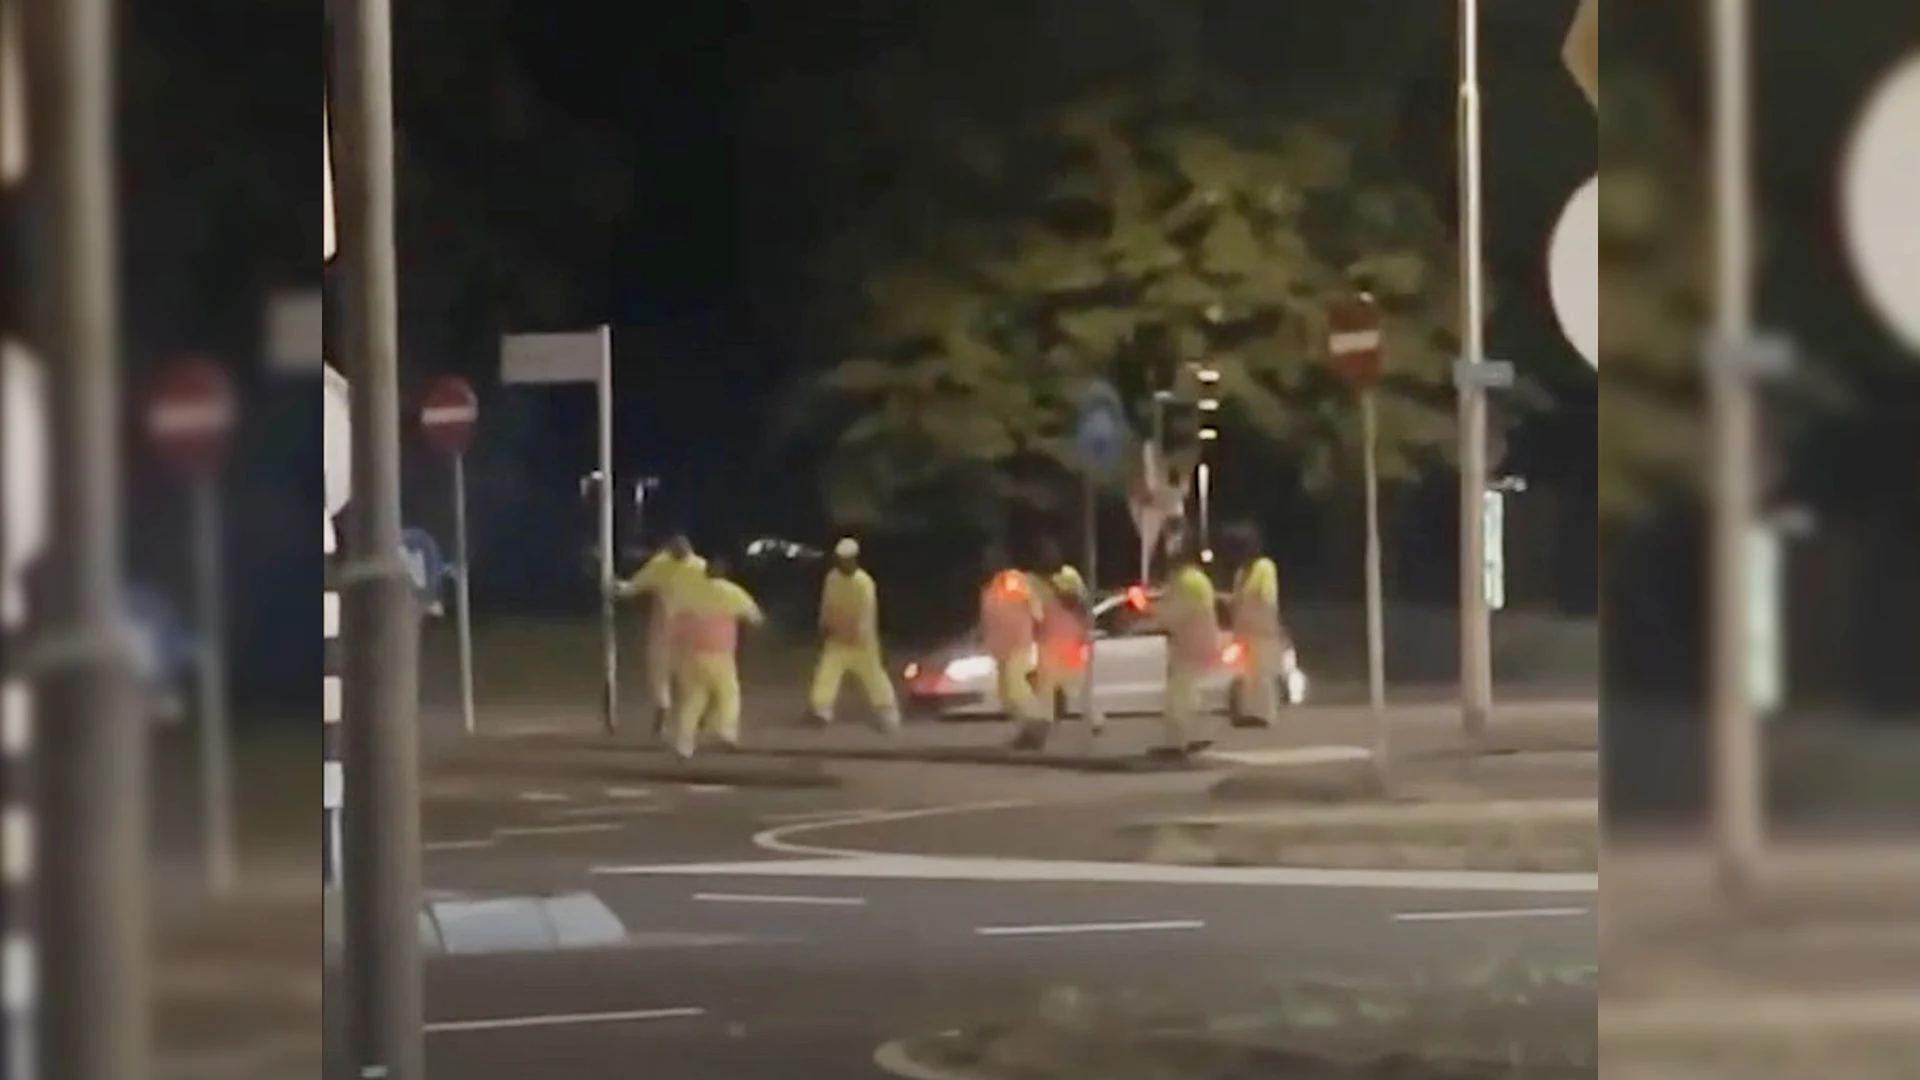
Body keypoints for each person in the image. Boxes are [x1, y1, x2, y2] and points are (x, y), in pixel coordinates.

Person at [666, 556, 765, 759]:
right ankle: (726, 731)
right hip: (720, 654)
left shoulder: (691, 593)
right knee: (728, 693)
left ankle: (684, 745)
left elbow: (675, 622)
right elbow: (755, 616)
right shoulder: (731, 592)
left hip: (693, 655)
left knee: (693, 700)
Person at [806, 537, 901, 730]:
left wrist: (860, 634)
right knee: (827, 673)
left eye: (847, 560)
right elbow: (827, 603)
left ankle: (886, 711)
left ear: (854, 560)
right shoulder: (832, 578)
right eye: (841, 560)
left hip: (862, 642)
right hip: (837, 639)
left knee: (874, 677)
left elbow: (867, 612)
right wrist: (824, 624)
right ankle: (821, 709)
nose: (844, 564)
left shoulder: (864, 582)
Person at [1019, 535, 1102, 750]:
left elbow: (1082, 604)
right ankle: (1039, 731)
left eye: (1051, 551)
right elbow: (1025, 610)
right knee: (1045, 688)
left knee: (1076, 685)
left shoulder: (1069, 576)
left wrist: (1083, 626)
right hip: (1046, 641)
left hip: (1070, 639)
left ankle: (1093, 720)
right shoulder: (1030, 581)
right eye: (1043, 552)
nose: (1048, 556)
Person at [619, 532, 707, 730]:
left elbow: (633, 586)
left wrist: (619, 587)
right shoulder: (697, 566)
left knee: (663, 668)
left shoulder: (662, 565)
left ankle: (668, 705)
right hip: (690, 626)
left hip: (670, 626)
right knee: (687, 671)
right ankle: (684, 708)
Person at [1155, 532, 1222, 758]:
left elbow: (1172, 614)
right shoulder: (1198, 578)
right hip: (1198, 643)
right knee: (1188, 693)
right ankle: (1188, 739)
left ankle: (1177, 744)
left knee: (1179, 696)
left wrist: (1148, 614)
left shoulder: (1184, 580)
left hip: (1189, 645)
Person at [1222, 522, 1286, 728]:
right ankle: (1248, 712)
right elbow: (1237, 599)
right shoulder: (1241, 572)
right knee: (1246, 673)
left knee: (1262, 672)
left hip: (1261, 629)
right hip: (1244, 630)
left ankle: (1263, 714)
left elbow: (1267, 599)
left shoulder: (1264, 567)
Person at [978, 543, 1043, 733]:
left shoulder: (1011, 580)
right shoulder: (990, 587)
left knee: (1016, 690)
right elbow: (989, 617)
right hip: (1001, 647)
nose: (986, 563)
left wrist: (1039, 623)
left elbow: (1033, 604)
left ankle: (1037, 722)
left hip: (1017, 643)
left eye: (989, 558)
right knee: (1006, 695)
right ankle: (1028, 728)